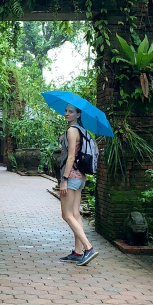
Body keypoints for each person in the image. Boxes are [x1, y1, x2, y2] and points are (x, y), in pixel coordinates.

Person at [57, 104, 97, 265]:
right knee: (75, 214)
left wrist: (64, 180)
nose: (66, 113)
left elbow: (71, 157)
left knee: (66, 215)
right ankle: (78, 252)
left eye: (70, 111)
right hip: (81, 176)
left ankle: (88, 248)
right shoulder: (82, 131)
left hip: (71, 177)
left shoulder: (72, 131)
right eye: (65, 110)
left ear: (78, 115)